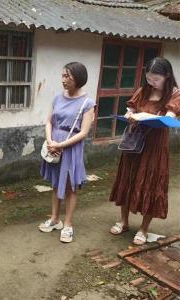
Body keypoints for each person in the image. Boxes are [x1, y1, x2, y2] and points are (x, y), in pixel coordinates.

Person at [109, 57, 180, 245]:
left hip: (155, 148)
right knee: (128, 179)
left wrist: (147, 117)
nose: (152, 83)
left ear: (166, 76)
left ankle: (144, 228)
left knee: (151, 182)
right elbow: (129, 109)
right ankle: (124, 221)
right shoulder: (143, 91)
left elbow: (170, 118)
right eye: (148, 78)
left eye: (156, 79)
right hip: (134, 144)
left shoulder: (174, 94)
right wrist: (130, 115)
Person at [39, 62, 96, 243]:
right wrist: (50, 141)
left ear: (78, 79)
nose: (63, 80)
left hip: (70, 148)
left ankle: (68, 224)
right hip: (54, 145)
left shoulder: (87, 103)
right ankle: (55, 219)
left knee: (70, 187)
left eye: (68, 77)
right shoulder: (57, 98)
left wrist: (61, 145)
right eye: (63, 76)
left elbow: (84, 132)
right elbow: (49, 122)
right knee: (56, 184)